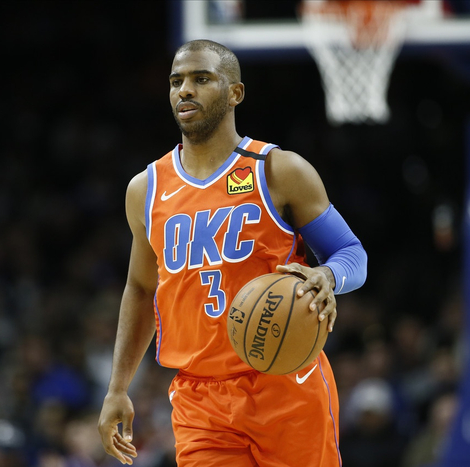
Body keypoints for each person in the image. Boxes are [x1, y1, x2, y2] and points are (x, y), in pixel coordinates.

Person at [98, 39, 368, 466]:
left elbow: (352, 253)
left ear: (234, 93)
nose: (185, 90)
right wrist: (117, 387)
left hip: (286, 381)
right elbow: (141, 288)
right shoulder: (145, 189)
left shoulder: (279, 170)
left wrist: (328, 276)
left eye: (201, 78)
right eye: (176, 81)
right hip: (200, 398)